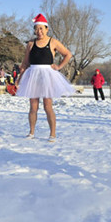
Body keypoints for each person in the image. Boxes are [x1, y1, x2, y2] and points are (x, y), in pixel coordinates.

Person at [16, 13, 74, 142]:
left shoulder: (53, 42)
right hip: (33, 75)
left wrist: (59, 66)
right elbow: (25, 62)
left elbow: (68, 54)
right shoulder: (31, 44)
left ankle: (52, 134)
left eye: (41, 28)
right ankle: (31, 132)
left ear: (47, 29)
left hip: (47, 75)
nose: (39, 31)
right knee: (33, 106)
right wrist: (19, 78)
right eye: (36, 28)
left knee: (48, 105)